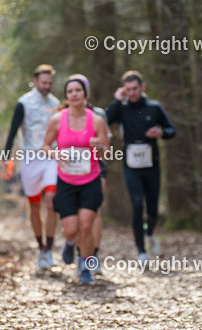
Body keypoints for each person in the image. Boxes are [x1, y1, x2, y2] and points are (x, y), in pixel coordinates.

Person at [41, 75, 110, 284]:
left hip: (91, 180)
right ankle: (70, 242)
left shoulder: (96, 120)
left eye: (78, 90)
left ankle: (85, 266)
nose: (74, 94)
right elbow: (45, 146)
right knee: (71, 228)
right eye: (70, 91)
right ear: (66, 96)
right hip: (67, 181)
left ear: (85, 93)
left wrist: (99, 146)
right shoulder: (57, 120)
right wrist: (54, 154)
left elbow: (107, 153)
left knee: (86, 225)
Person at [105, 71, 176, 263]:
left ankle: (150, 233)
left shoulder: (154, 108)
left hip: (151, 164)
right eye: (128, 89)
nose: (132, 93)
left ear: (142, 87)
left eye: (135, 88)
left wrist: (160, 132)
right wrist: (117, 101)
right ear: (123, 90)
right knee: (137, 204)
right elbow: (105, 121)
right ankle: (141, 251)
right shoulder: (121, 108)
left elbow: (171, 130)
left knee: (152, 208)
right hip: (131, 165)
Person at [3, 64, 61, 269]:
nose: (47, 86)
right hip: (29, 159)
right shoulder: (23, 103)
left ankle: (51, 249)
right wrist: (5, 156)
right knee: (34, 205)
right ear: (35, 81)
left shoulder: (56, 104)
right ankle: (41, 248)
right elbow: (12, 130)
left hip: (50, 158)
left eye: (50, 83)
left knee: (52, 201)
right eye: (44, 83)